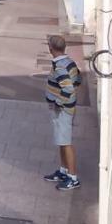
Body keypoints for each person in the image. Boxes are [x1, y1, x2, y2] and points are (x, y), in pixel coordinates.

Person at [43, 35, 83, 191]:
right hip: (67, 108)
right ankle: (63, 171)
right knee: (61, 140)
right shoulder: (69, 62)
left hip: (63, 110)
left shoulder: (60, 67)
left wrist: (58, 103)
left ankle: (73, 178)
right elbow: (78, 79)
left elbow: (68, 89)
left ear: (50, 48)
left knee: (65, 143)